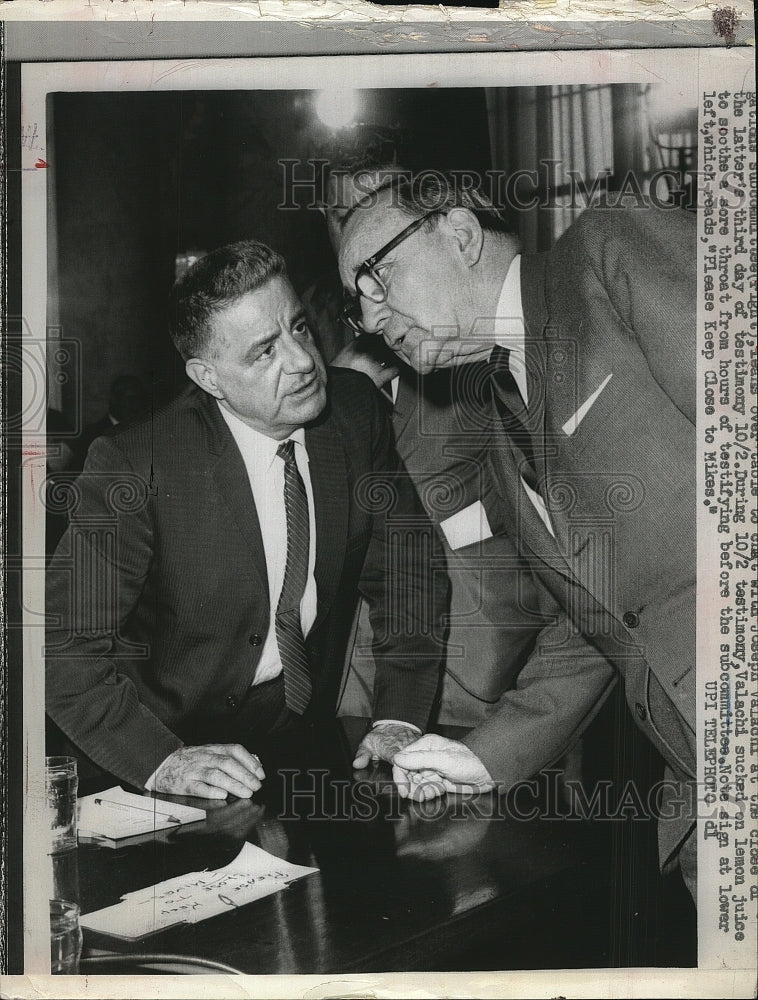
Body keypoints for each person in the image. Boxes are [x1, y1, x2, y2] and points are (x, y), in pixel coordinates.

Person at [337, 174, 697, 898]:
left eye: (376, 279)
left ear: (461, 235)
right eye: (357, 307)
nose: (372, 321)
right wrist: (485, 758)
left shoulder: (607, 247)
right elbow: (598, 624)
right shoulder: (503, 429)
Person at [46, 240, 445, 800]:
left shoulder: (353, 414)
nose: (303, 361)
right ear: (209, 379)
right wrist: (162, 761)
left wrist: (398, 717)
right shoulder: (137, 466)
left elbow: (408, 570)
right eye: (264, 352)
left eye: (299, 328)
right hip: (164, 759)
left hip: (302, 749)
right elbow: (59, 643)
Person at [315, 163, 550, 729]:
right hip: (343, 668)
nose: (357, 221)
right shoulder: (309, 326)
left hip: (476, 658)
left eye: (376, 203)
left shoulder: (483, 325)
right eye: (343, 213)